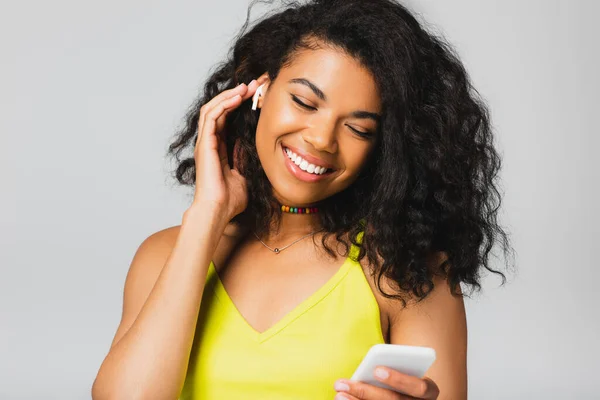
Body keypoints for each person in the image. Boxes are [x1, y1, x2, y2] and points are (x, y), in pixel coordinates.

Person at [92, 0, 513, 399]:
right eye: (304, 102)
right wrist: (206, 217)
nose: (321, 140)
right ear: (259, 90)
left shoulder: (409, 273)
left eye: (359, 129)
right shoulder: (164, 255)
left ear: (387, 150)